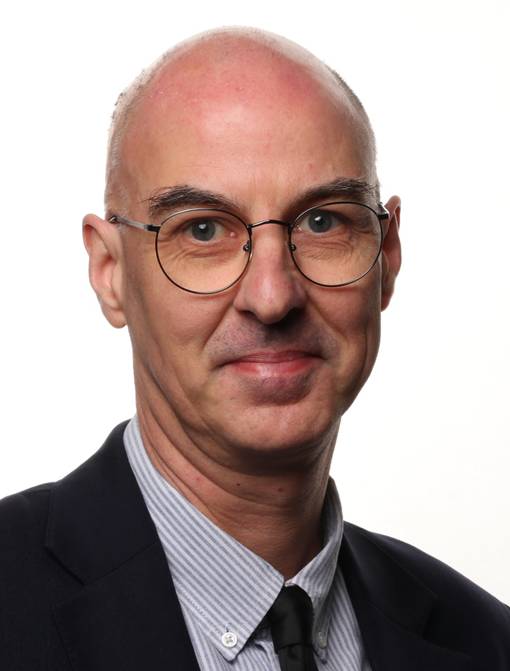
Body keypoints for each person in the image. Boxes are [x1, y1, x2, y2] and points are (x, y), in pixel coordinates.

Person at [1, 26, 509, 671]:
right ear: (110, 273)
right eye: (202, 230)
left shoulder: (488, 642)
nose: (272, 297)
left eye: (323, 221)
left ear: (387, 256)